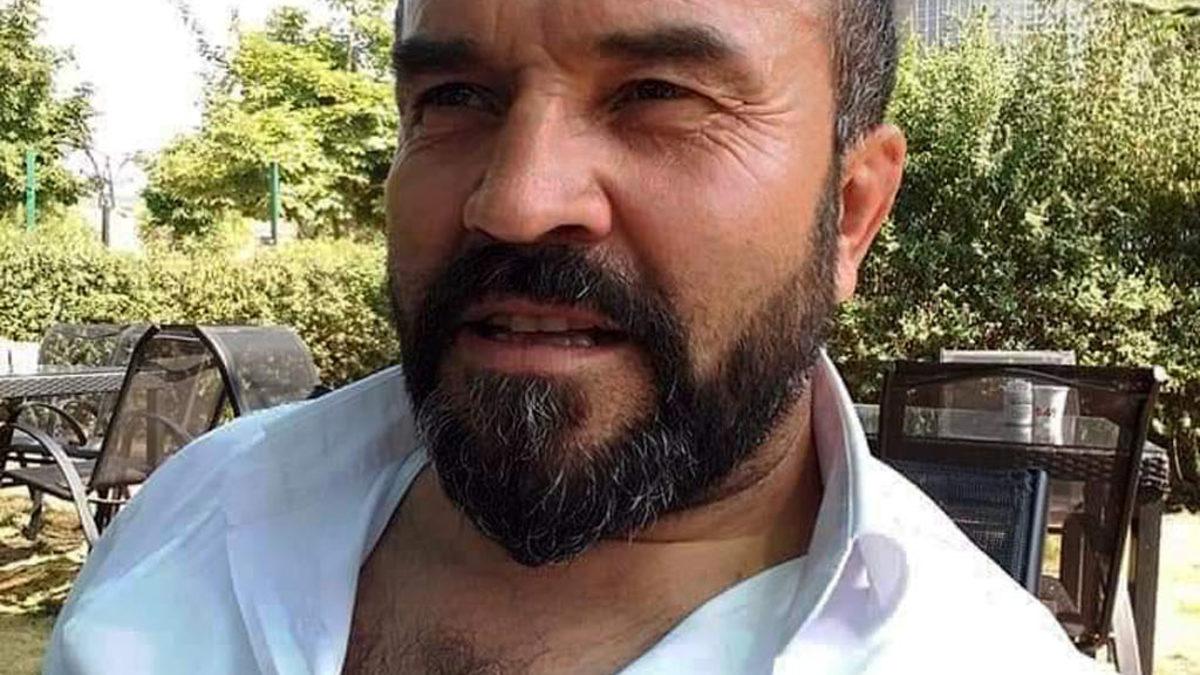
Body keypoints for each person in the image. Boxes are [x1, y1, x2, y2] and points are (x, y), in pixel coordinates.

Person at [46, 0, 1102, 673]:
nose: (515, 201)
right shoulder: (196, 512)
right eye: (456, 97)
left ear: (852, 212)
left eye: (659, 95)